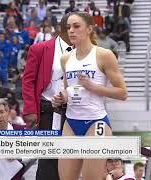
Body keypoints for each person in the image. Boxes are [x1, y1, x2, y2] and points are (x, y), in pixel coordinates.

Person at [52, 12, 127, 180]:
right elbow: (69, 90)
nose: (71, 30)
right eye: (68, 27)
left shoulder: (104, 55)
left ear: (89, 29)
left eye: (76, 26)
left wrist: (93, 87)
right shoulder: (65, 59)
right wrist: (61, 97)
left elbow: (122, 93)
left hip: (96, 122)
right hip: (71, 122)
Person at [22, 14, 72, 180]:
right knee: (49, 156)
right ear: (63, 29)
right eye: (72, 27)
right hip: (48, 110)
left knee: (71, 155)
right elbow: (28, 81)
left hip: (76, 111)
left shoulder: (86, 50)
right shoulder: (40, 49)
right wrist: (30, 109)